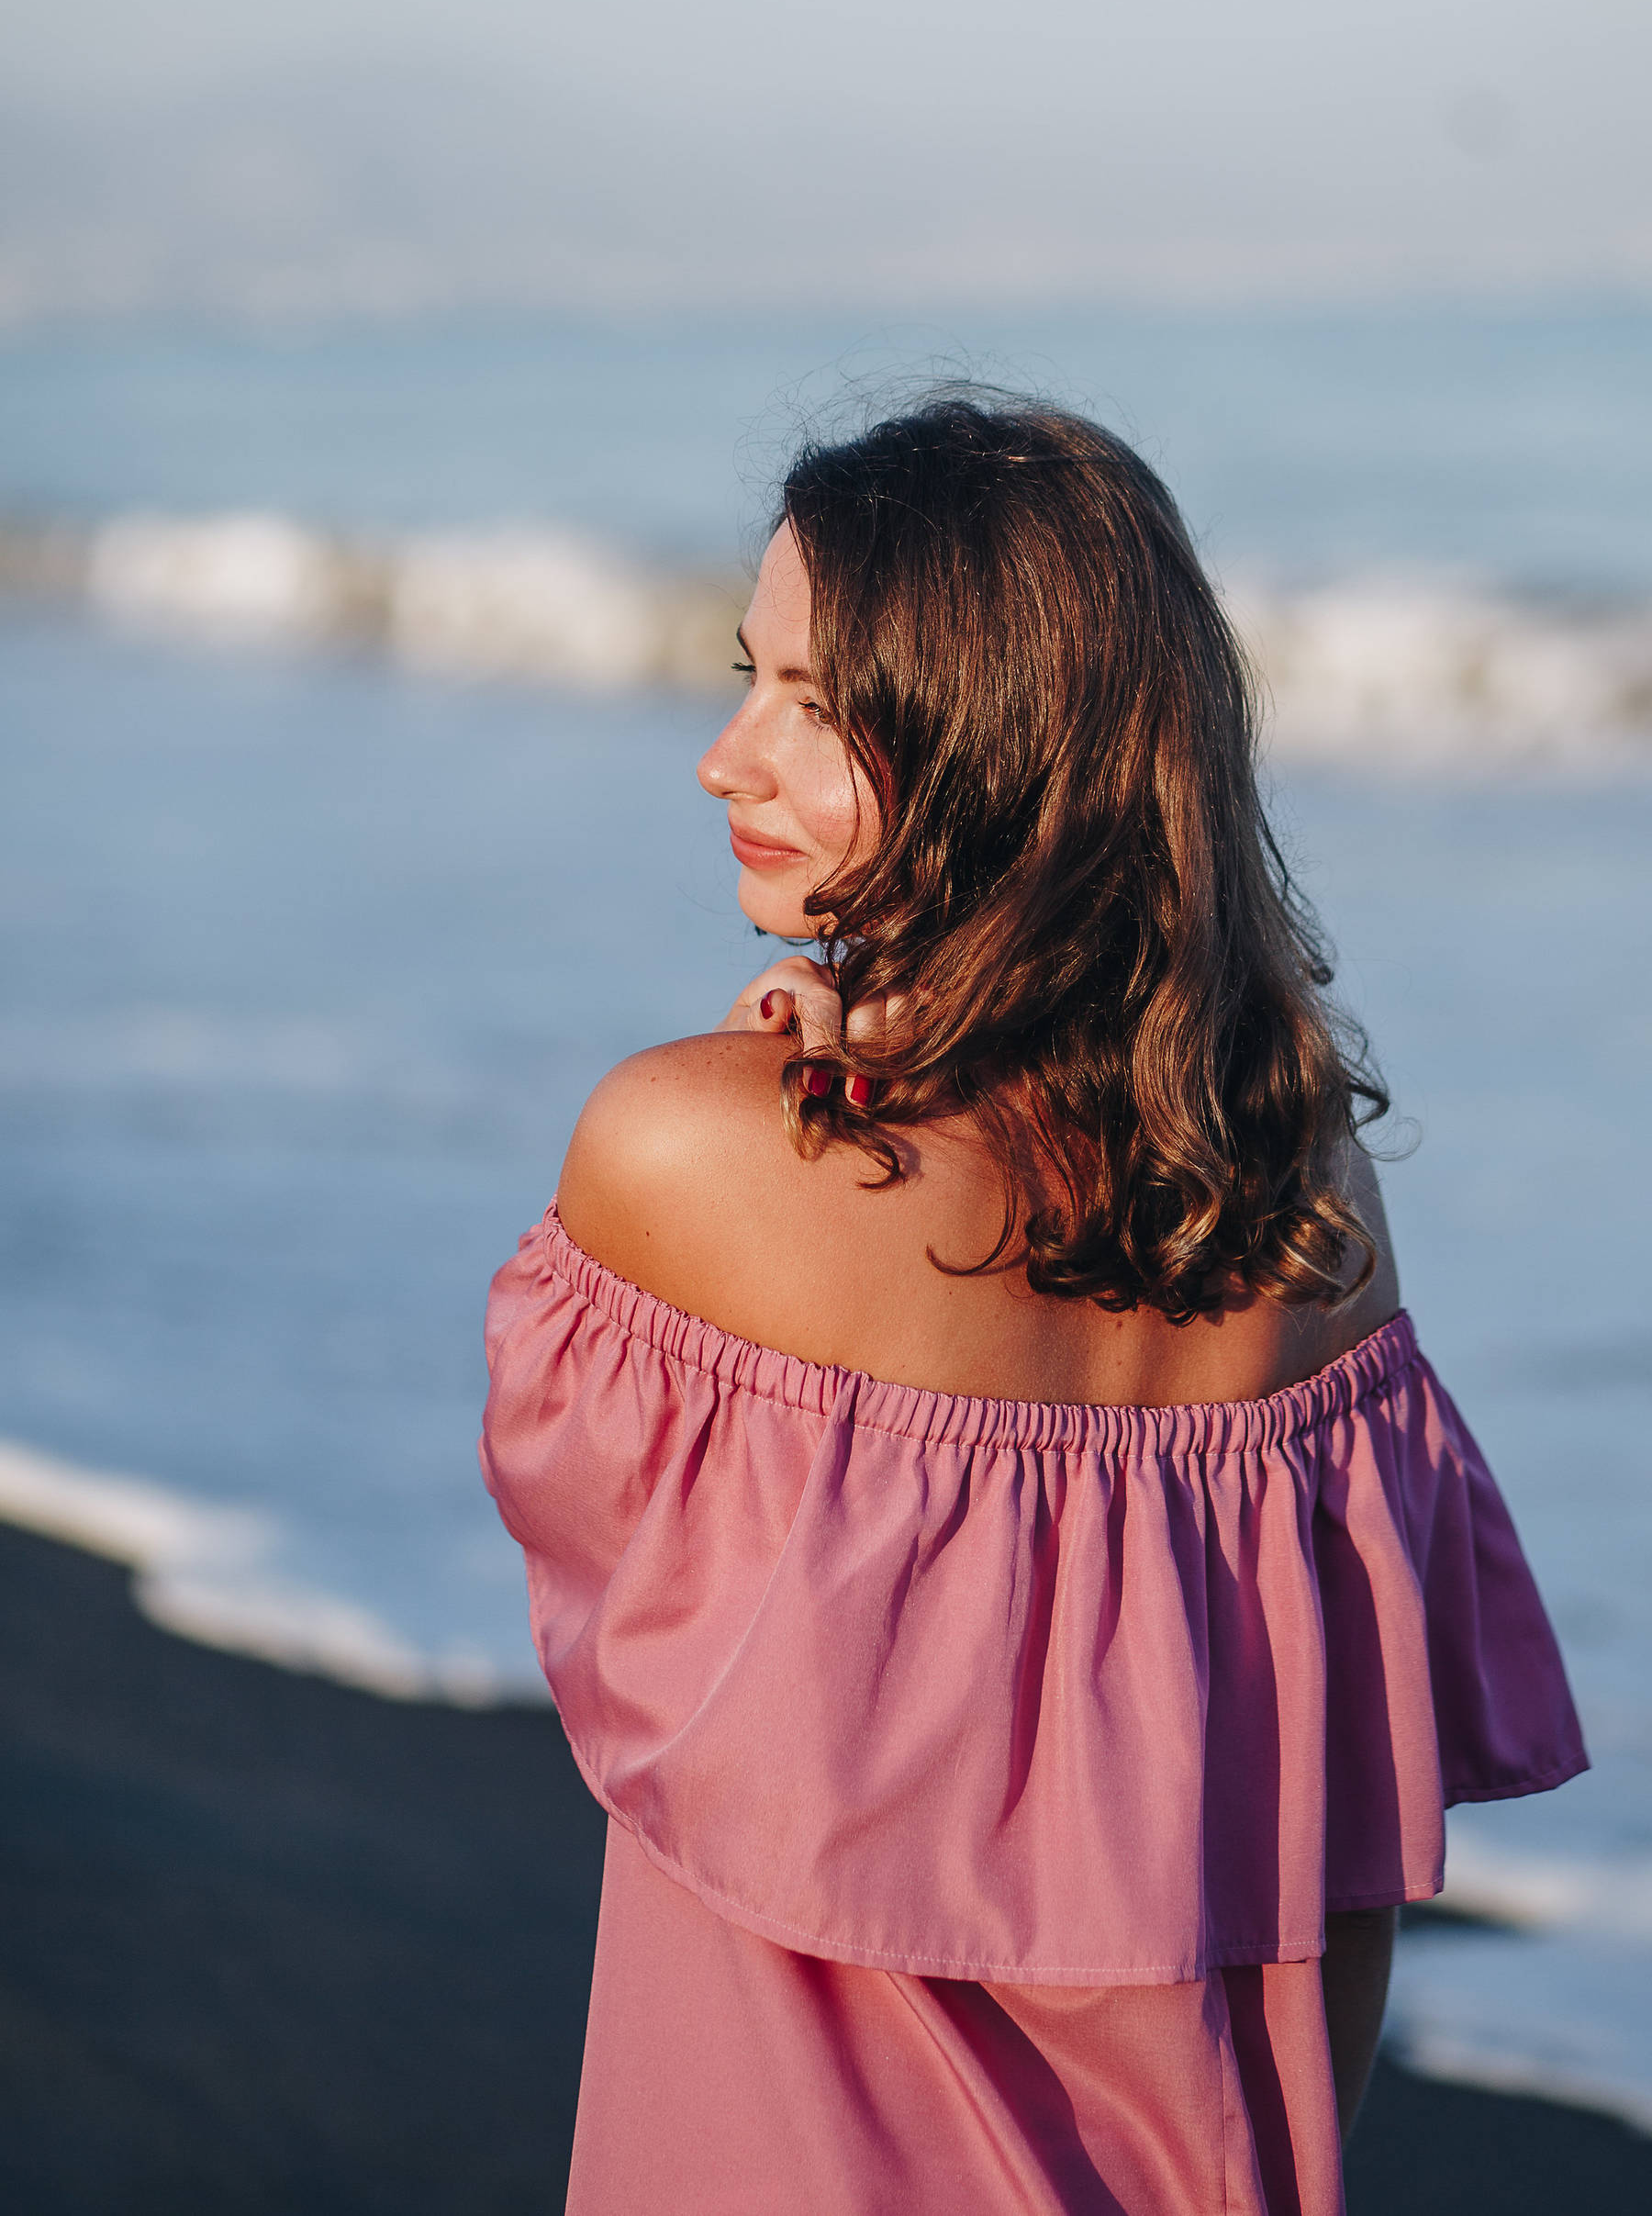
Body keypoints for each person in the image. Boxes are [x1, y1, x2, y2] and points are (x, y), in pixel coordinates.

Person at [481, 397, 1586, 2215]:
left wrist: (813, 1082)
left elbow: (617, 1605)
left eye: (814, 705)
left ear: (996, 745)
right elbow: (1346, 1880)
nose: (721, 757)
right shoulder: (1313, 1200)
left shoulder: (683, 1151)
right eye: (741, 674)